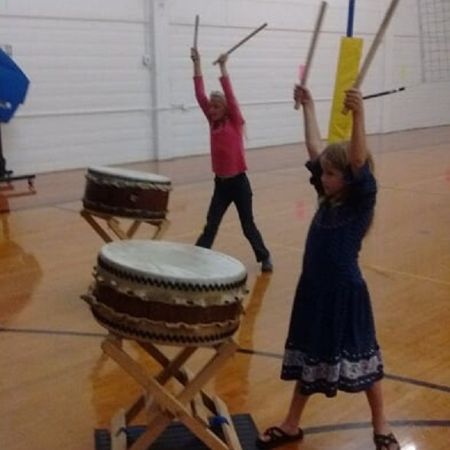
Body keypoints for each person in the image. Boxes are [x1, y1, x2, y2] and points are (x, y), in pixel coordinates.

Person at [256, 85, 400, 450]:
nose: (322, 178)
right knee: (309, 358)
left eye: (331, 174)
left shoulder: (359, 201)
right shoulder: (328, 197)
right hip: (314, 291)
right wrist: (309, 106)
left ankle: (381, 425)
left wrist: (360, 117)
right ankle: (291, 424)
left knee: (365, 362)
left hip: (345, 293)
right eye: (323, 174)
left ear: (348, 179)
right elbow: (315, 148)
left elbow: (357, 162)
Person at [190, 47, 272, 272]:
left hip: (239, 184)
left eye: (216, 107)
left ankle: (264, 256)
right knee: (211, 224)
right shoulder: (213, 122)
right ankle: (197, 256)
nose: (212, 109)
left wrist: (224, 68)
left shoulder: (234, 120)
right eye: (211, 107)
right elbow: (199, 94)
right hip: (221, 184)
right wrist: (197, 62)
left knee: (247, 225)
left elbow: (231, 96)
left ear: (225, 109)